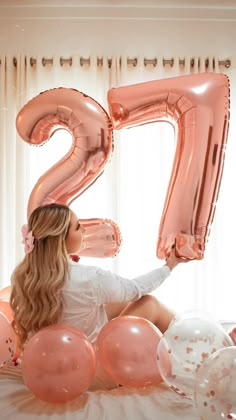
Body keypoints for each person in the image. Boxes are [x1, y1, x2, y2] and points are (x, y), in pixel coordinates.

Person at [10, 202, 188, 354]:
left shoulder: (23, 275)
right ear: (61, 239)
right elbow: (135, 288)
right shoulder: (88, 277)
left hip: (53, 362)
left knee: (113, 303)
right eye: (78, 226)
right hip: (91, 368)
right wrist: (169, 266)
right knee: (149, 303)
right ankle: (189, 343)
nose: (84, 229)